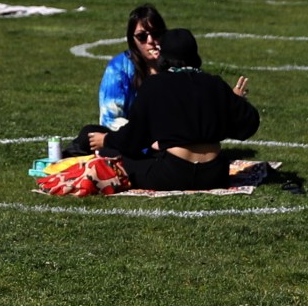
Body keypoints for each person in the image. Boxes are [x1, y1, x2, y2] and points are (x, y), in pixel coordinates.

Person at [101, 29, 260, 192]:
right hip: (215, 175)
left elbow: (133, 140)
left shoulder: (155, 85)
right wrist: (235, 101)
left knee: (116, 155)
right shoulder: (215, 84)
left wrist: (106, 141)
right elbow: (248, 126)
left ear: (163, 56)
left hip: (172, 175)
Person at [74, 5, 167, 153]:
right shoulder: (118, 67)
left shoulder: (174, 64)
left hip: (168, 140)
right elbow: (110, 118)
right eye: (142, 36)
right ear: (132, 40)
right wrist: (142, 138)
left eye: (156, 34)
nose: (150, 40)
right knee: (89, 134)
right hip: (130, 139)